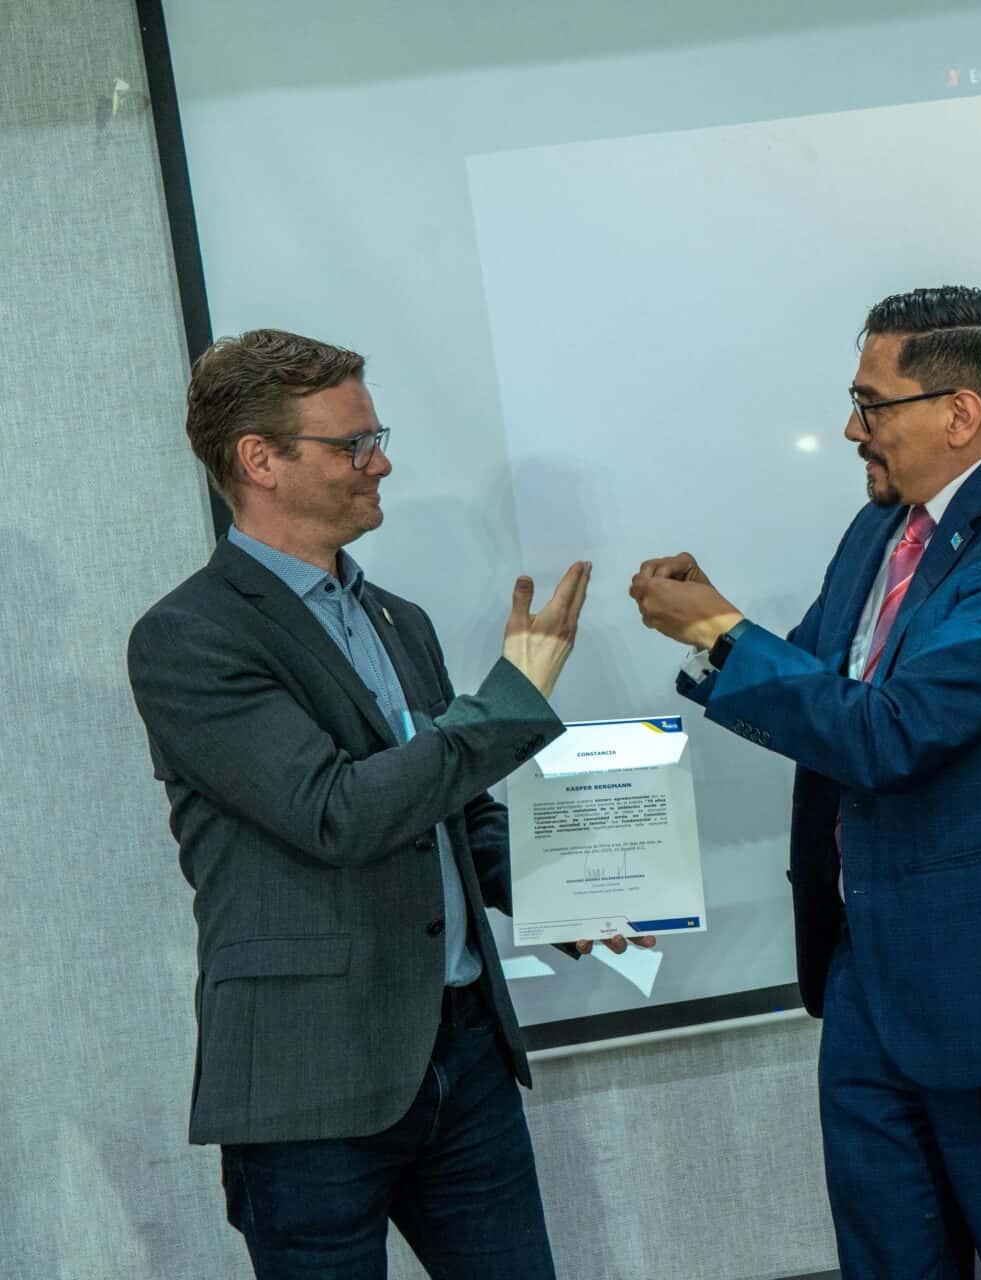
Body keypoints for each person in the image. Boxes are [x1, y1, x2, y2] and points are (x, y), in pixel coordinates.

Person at [630, 287, 981, 1278]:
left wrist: (718, 630)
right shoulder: (881, 530)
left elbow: (894, 731)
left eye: (873, 405)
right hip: (870, 982)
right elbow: (825, 685)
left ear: (960, 414)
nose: (850, 428)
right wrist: (726, 633)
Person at [127, 329, 640, 1278]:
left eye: (378, 435)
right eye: (354, 444)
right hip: (310, 1083)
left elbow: (457, 809)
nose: (383, 461)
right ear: (261, 460)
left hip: (466, 1059)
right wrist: (512, 698)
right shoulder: (189, 638)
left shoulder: (398, 618)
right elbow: (338, 813)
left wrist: (558, 892)